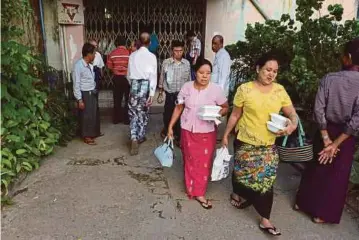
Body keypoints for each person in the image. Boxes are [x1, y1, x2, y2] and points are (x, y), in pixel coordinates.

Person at [221, 52, 298, 236]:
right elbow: (235, 114)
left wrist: (292, 124)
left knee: (266, 181)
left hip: (268, 145)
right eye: (267, 70)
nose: (271, 74)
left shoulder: (279, 90)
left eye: (275, 71)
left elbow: (292, 113)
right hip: (245, 141)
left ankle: (265, 218)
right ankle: (236, 193)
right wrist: (225, 135)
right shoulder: (245, 89)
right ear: (258, 69)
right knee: (241, 173)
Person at [295, 38, 359, 224]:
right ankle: (321, 214)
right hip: (346, 137)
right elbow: (356, 120)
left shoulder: (329, 78)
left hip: (326, 129)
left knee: (316, 167)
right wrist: (336, 144)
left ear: (347, 57)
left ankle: (302, 204)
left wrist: (326, 139)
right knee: (336, 175)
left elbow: (318, 109)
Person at [167, 59, 229, 209]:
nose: (205, 76)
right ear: (195, 73)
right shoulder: (187, 87)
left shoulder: (215, 89)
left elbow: (225, 107)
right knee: (190, 160)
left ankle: (199, 192)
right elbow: (179, 108)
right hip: (188, 129)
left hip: (206, 132)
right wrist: (170, 127)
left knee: (203, 162)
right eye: (201, 73)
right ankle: (191, 188)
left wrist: (219, 112)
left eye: (208, 73)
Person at [127, 32, 157, 156]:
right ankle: (140, 135)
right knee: (143, 112)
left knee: (133, 112)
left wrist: (133, 84)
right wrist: (151, 93)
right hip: (145, 86)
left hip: (134, 85)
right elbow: (153, 76)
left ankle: (133, 137)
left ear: (139, 41)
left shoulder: (132, 56)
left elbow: (128, 75)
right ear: (149, 43)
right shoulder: (152, 57)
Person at [158, 40, 191, 142]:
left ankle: (178, 136)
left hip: (181, 95)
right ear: (172, 51)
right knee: (168, 115)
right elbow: (162, 77)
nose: (178, 53)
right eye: (176, 51)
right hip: (170, 94)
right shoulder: (166, 63)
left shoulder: (186, 63)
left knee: (181, 116)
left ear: (183, 50)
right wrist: (160, 92)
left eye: (180, 51)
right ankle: (168, 132)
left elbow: (189, 80)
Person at [72, 43, 101, 145]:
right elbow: (76, 83)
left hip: (91, 92)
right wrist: (79, 99)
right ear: (88, 54)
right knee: (86, 115)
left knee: (93, 114)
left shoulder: (89, 65)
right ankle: (86, 136)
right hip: (85, 93)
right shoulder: (78, 66)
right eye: (93, 54)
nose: (94, 56)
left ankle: (93, 132)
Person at [211, 35, 232, 142]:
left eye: (215, 43)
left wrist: (219, 93)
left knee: (221, 113)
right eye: (212, 43)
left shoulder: (224, 56)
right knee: (216, 113)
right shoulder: (218, 55)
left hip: (220, 91)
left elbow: (223, 76)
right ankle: (216, 135)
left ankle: (220, 136)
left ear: (221, 44)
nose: (213, 46)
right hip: (216, 90)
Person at [107, 36, 131, 125]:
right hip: (126, 78)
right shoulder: (129, 53)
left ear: (116, 43)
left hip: (116, 78)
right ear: (125, 43)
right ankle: (126, 119)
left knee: (117, 99)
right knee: (128, 99)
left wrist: (116, 69)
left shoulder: (112, 53)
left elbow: (109, 67)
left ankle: (116, 119)